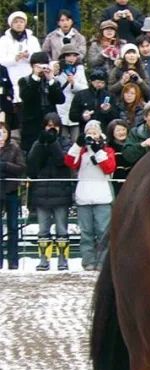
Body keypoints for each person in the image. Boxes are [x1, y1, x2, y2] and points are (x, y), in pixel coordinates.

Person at [63, 118, 115, 271]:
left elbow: (109, 168)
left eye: (95, 133)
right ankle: (88, 260)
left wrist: (98, 150)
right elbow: (70, 162)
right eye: (89, 133)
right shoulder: (81, 152)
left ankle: (103, 262)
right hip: (84, 196)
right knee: (86, 232)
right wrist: (78, 145)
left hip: (102, 197)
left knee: (103, 231)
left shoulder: (107, 151)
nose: (92, 136)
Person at [27, 113, 74, 270]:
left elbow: (63, 161)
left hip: (60, 191)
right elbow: (32, 163)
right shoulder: (38, 142)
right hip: (41, 192)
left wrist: (53, 143)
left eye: (54, 125)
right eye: (48, 125)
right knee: (43, 229)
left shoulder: (66, 142)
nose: (51, 128)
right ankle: (44, 259)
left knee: (62, 228)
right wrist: (41, 144)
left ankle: (63, 259)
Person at [19, 52, 65, 152]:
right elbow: (26, 97)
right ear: (32, 66)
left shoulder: (53, 81)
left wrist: (51, 80)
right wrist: (36, 78)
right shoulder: (25, 81)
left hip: (49, 122)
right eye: (38, 65)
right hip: (31, 125)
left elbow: (60, 99)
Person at [1, 11, 43, 103]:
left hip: (31, 76)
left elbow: (39, 58)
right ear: (11, 24)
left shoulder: (33, 39)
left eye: (21, 21)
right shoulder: (4, 40)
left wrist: (28, 56)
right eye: (16, 22)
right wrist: (15, 58)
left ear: (25, 23)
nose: (19, 24)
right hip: (12, 77)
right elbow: (2, 60)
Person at [0, 119, 25, 270]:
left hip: (11, 190)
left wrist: (5, 166)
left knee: (13, 227)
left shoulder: (14, 148)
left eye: (3, 131)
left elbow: (21, 167)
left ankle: (13, 260)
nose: (1, 135)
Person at [53, 44, 87, 140]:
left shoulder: (79, 70)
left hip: (75, 107)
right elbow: (53, 86)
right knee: (63, 138)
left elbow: (85, 88)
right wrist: (55, 74)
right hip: (61, 107)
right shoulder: (57, 69)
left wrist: (73, 83)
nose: (71, 58)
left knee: (75, 139)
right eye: (68, 55)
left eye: (74, 55)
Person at [105, 118, 132, 190]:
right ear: (112, 132)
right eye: (118, 130)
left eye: (123, 129)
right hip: (116, 181)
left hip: (131, 178)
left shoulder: (132, 144)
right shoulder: (108, 147)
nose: (121, 132)